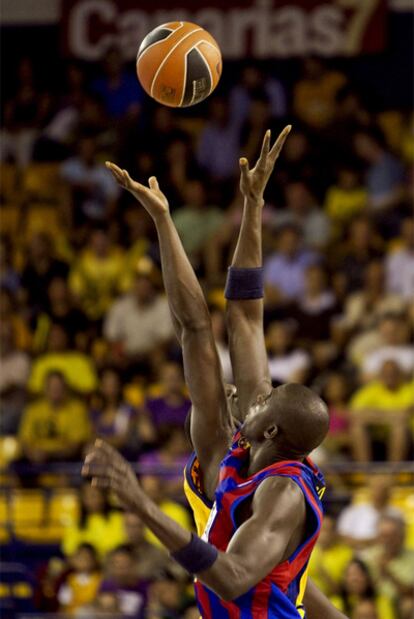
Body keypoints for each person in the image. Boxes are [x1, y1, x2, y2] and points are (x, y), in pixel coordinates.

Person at [83, 129, 347, 618]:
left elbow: (232, 579)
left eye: (262, 400)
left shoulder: (281, 492)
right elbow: (236, 316)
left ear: (269, 428)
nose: (249, 392)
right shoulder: (243, 448)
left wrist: (142, 505)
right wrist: (245, 206)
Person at [19, 371, 91, 465]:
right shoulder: (33, 410)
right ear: (45, 389)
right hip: (34, 460)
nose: (55, 390)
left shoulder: (77, 409)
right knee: (13, 467)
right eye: (52, 387)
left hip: (65, 460)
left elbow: (75, 446)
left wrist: (49, 455)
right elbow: (24, 441)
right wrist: (32, 454)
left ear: (65, 388)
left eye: (58, 387)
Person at [62, 483, 126, 558]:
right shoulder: (76, 525)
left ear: (104, 496)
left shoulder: (120, 518)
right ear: (82, 499)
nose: (93, 500)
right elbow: (70, 552)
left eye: (96, 495)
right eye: (88, 496)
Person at [337, 477, 403, 549]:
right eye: (376, 489)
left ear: (389, 492)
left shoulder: (396, 514)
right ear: (370, 491)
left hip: (388, 556)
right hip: (358, 555)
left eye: (383, 489)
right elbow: (343, 537)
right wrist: (373, 541)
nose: (379, 493)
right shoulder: (353, 511)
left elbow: (399, 540)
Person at [57, 543, 102, 614]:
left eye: (86, 558)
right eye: (79, 558)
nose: (82, 561)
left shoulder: (100, 580)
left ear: (94, 561)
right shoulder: (69, 581)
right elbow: (64, 604)